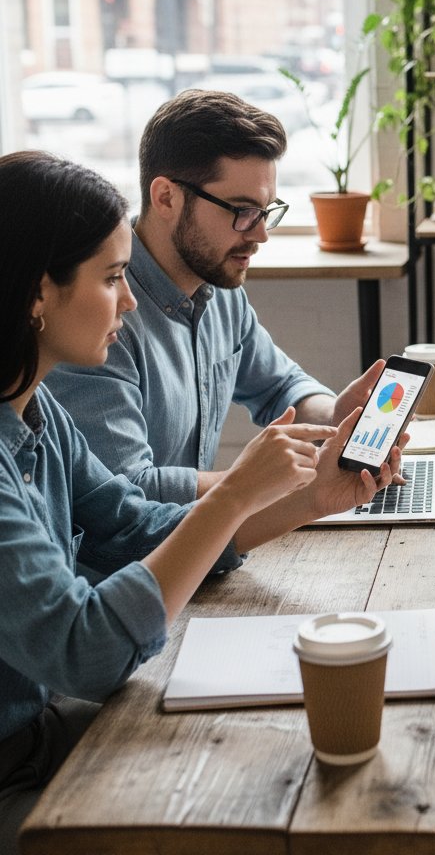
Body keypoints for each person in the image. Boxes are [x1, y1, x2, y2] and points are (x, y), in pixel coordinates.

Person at [0, 151, 400, 853]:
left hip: (40, 729)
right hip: (12, 773)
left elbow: (131, 524)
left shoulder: (35, 414)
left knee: (276, 755)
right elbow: (83, 647)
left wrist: (308, 500)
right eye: (111, 278)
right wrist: (239, 490)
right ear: (38, 294)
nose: (127, 301)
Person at [47, 89, 385, 504]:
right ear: (166, 197)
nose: (259, 234)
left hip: (198, 550)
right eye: (241, 211)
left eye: (265, 212)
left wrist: (336, 418)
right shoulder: (100, 320)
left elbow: (281, 386)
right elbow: (127, 491)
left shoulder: (218, 287)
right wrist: (254, 483)